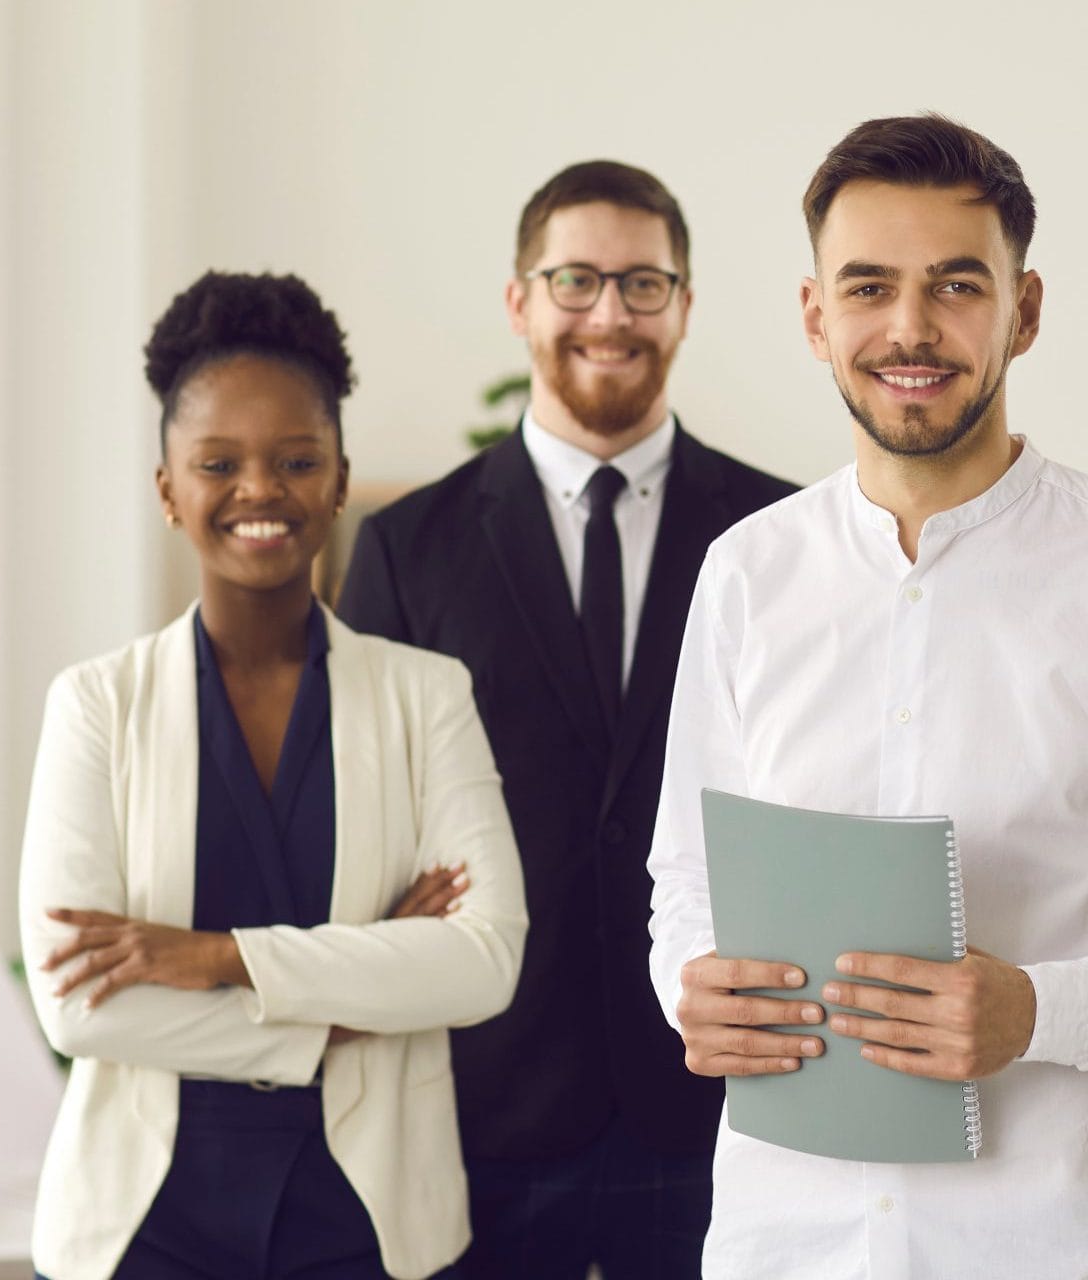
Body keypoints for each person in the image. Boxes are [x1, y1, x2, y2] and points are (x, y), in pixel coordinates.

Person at [645, 113, 1088, 1279]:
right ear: (815, 315)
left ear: (1027, 308)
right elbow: (688, 873)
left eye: (956, 284)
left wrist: (1042, 1011)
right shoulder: (745, 574)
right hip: (777, 1244)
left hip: (1041, 1247)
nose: (910, 328)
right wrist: (688, 985)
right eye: (867, 286)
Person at [20, 270, 529, 1280]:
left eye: (296, 459)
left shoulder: (428, 696)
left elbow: (481, 961)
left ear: (338, 479)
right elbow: (80, 1004)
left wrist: (218, 957)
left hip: (371, 1213)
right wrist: (352, 997)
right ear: (169, 488)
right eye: (219, 461)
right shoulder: (95, 705)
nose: (260, 489)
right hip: (141, 1221)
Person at [337, 160, 793, 1278]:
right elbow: (361, 806)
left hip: (709, 1089)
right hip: (484, 1093)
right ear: (520, 300)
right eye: (576, 279)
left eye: (644, 284)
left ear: (684, 305)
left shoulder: (780, 535)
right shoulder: (408, 545)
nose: (609, 313)